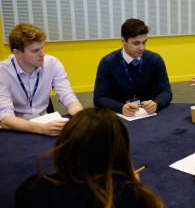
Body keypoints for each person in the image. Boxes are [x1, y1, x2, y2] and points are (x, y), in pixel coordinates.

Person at [14, 107, 164, 208]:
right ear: (120, 150)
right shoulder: (130, 195)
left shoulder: (34, 189)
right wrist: (131, 184)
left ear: (65, 145)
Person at [0, 24, 83, 136]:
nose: (42, 54)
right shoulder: (3, 72)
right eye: (35, 50)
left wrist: (82, 117)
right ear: (17, 53)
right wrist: (42, 129)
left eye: (42, 47)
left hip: (43, 121)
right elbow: (5, 119)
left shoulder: (52, 64)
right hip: (15, 127)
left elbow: (68, 96)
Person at [94, 18, 172, 116]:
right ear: (123, 40)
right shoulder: (107, 62)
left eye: (144, 42)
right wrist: (121, 107)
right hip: (119, 115)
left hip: (146, 112)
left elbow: (166, 91)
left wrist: (156, 103)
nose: (141, 48)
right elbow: (99, 98)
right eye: (136, 43)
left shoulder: (155, 59)